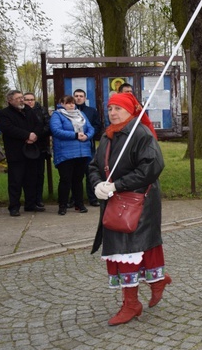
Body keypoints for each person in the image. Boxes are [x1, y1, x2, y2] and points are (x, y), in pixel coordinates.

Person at [89, 92, 169, 326]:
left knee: (130, 250)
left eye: (118, 109)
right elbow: (94, 165)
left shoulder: (140, 134)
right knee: (123, 250)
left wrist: (117, 185)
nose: (113, 113)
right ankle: (153, 284)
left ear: (130, 111)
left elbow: (153, 167)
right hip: (114, 202)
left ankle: (132, 303)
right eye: (110, 109)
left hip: (138, 202)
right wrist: (97, 185)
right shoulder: (107, 135)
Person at [0, 90, 45, 216]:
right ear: (10, 100)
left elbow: (39, 124)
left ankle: (30, 204)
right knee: (15, 181)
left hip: (31, 150)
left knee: (31, 179)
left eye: (21, 97)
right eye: (18, 98)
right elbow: (8, 129)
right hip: (16, 153)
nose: (21, 100)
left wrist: (34, 135)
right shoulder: (3, 114)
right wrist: (27, 135)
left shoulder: (28, 110)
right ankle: (14, 207)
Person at [50, 96, 95, 215]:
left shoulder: (80, 114)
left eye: (72, 103)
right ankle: (62, 205)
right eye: (68, 103)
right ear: (62, 103)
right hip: (65, 153)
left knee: (78, 180)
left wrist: (87, 136)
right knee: (65, 180)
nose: (71, 105)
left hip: (82, 152)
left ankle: (79, 204)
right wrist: (75, 135)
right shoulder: (57, 115)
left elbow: (90, 128)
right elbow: (56, 130)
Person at [73, 89, 103, 207]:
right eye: (76, 96)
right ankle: (74, 198)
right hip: (73, 146)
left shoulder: (91, 111)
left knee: (90, 171)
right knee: (75, 174)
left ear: (85, 98)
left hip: (88, 146)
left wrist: (88, 135)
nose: (78, 98)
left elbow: (97, 125)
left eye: (81, 96)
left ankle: (93, 198)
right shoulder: (69, 111)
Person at [23, 93, 51, 209]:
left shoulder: (42, 110)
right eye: (27, 100)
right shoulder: (21, 111)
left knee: (39, 174)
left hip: (40, 146)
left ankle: (38, 199)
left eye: (32, 99)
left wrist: (35, 135)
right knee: (28, 175)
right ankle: (29, 200)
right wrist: (27, 136)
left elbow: (48, 126)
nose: (30, 102)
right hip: (25, 147)